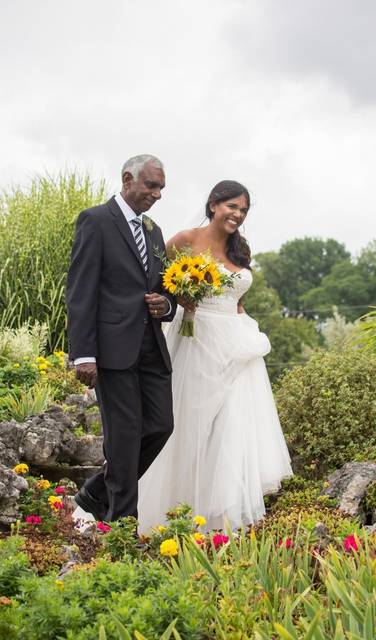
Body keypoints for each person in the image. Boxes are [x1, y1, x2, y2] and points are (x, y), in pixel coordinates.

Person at [136, 180, 292, 533]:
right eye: (232, 206)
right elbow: (156, 284)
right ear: (213, 205)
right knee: (191, 423)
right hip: (196, 340)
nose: (237, 214)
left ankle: (222, 519)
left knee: (232, 427)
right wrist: (179, 299)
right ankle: (174, 512)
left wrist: (239, 319)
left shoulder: (240, 249)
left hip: (237, 345)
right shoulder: (186, 240)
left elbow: (237, 298)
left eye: (243, 209)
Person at [66, 154, 177, 522]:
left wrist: (168, 304)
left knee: (161, 426)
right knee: (125, 438)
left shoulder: (154, 231)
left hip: (151, 348)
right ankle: (123, 528)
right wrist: (83, 354)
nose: (158, 194)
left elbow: (162, 289)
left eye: (161, 187)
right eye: (151, 185)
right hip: (112, 351)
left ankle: (94, 494)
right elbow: (80, 290)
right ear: (127, 179)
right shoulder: (96, 221)